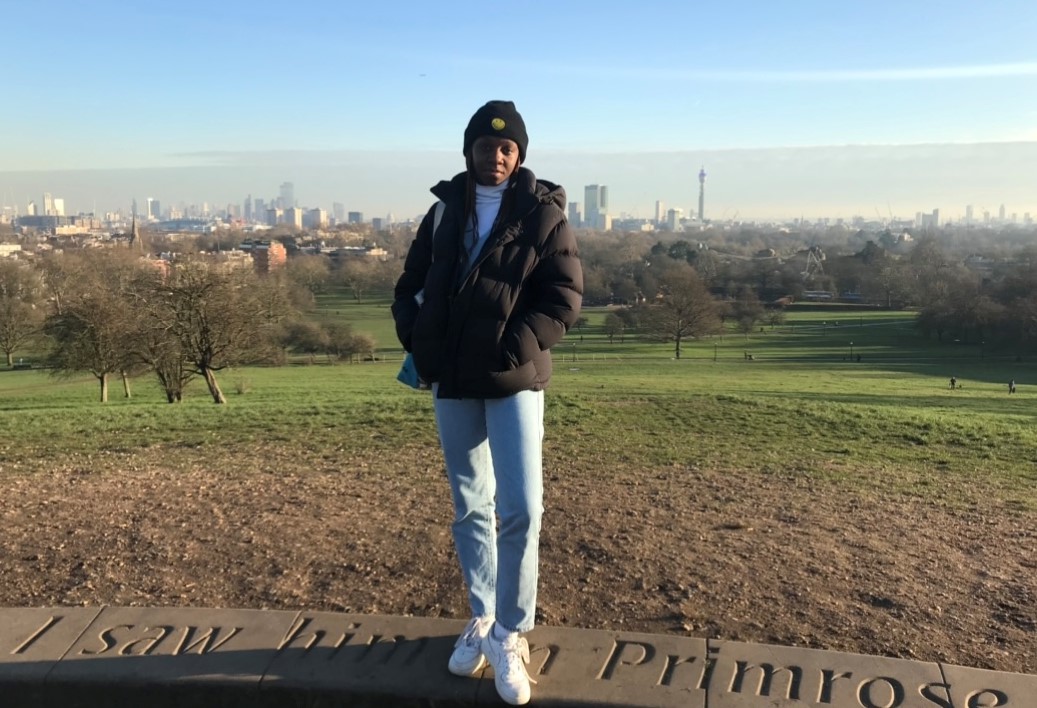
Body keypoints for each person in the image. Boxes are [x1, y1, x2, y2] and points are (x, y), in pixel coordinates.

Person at [392, 100, 583, 705]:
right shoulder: (445, 210)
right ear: (468, 150)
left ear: (519, 154)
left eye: (506, 148)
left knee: (522, 507)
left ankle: (510, 632)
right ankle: (480, 617)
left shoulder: (543, 213)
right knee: (470, 504)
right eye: (484, 145)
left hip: (512, 379)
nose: (495, 155)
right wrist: (417, 339)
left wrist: (512, 350)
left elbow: (562, 298)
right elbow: (411, 284)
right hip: (452, 377)